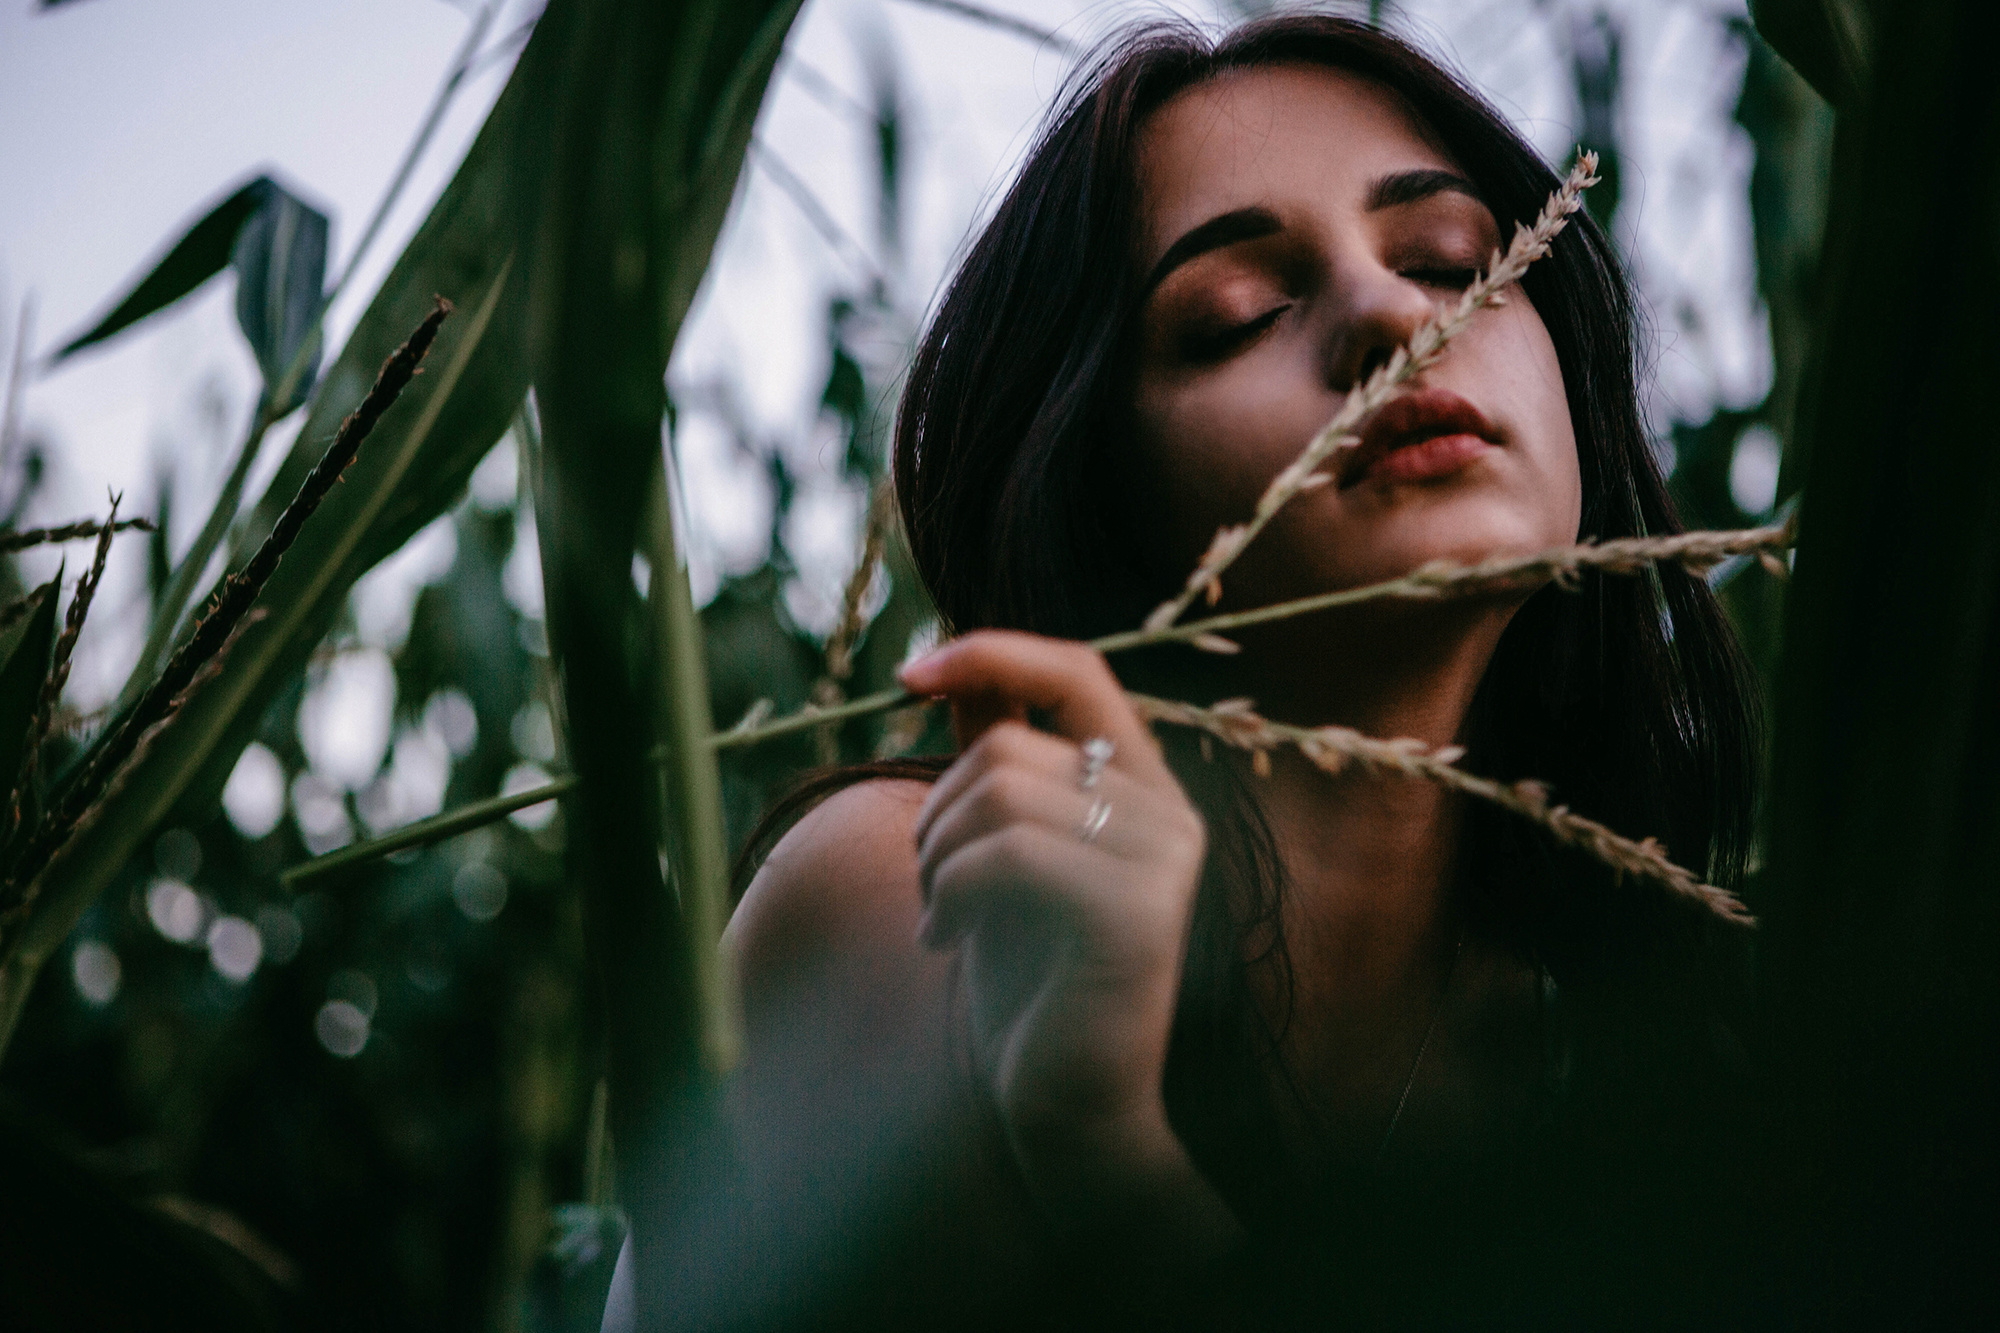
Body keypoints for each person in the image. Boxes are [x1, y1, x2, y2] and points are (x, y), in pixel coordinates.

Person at [607, 13, 1762, 1331]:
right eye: (1236, 316)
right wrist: (1094, 1134)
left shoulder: (1646, 1030)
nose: (1393, 316)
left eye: (1453, 260)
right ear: (1101, 495)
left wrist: (1119, 1164)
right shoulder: (935, 913)